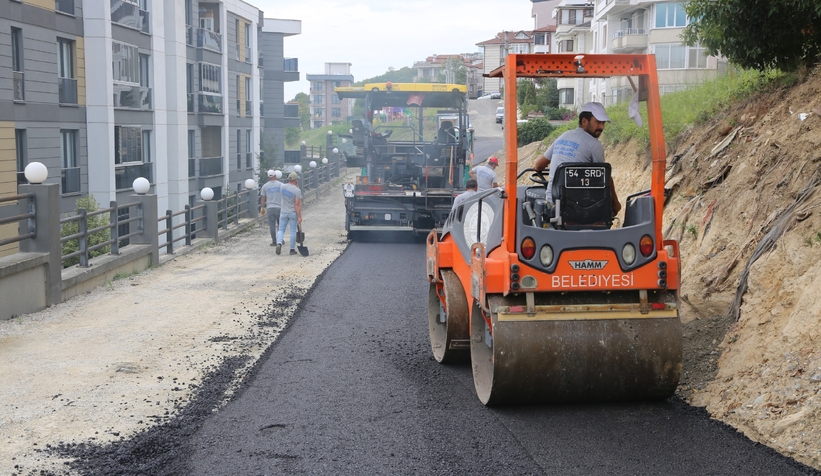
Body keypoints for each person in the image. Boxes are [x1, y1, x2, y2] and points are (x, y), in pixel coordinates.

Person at [534, 102, 621, 214]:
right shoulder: (594, 145)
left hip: (552, 204)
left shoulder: (563, 136)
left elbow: (538, 166)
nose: (602, 127)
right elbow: (604, 178)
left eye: (603, 123)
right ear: (584, 121)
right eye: (598, 122)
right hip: (579, 210)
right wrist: (615, 203)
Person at [276, 172, 303, 256]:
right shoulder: (297, 190)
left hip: (283, 212)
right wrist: (299, 216)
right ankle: (292, 249)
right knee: (292, 231)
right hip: (292, 213)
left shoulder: (282, 187)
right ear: (295, 180)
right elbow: (297, 204)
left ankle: (279, 243)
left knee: (281, 229)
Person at [259, 170, 282, 246]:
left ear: (268, 176)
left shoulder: (265, 186)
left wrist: (262, 208)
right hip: (279, 208)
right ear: (275, 175)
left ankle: (274, 241)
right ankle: (280, 240)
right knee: (280, 225)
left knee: (272, 225)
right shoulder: (281, 185)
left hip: (270, 208)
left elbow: (262, 198)